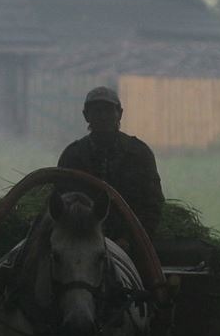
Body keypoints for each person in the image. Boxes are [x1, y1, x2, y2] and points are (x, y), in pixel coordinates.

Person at [57, 85, 164, 240]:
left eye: (108, 110)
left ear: (119, 114)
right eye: (97, 111)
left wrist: (134, 238)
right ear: (86, 115)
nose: (103, 116)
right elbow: (62, 202)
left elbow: (153, 202)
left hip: (132, 239)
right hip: (82, 239)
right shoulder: (72, 156)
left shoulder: (139, 154)